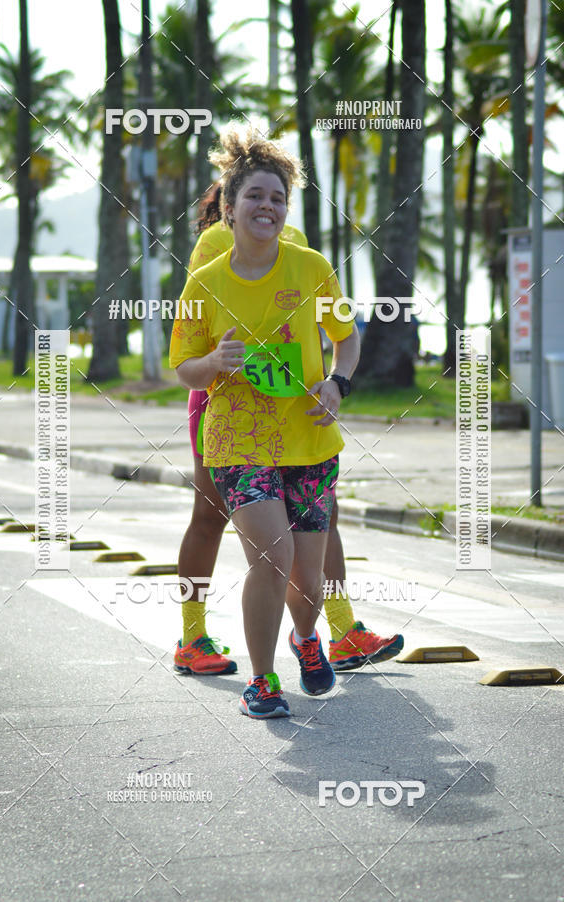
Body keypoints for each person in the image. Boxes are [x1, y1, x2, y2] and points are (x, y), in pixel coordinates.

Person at [171, 125, 380, 718]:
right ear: (228, 204)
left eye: (278, 197)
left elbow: (344, 336)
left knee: (305, 573)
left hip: (308, 430)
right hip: (235, 431)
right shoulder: (208, 265)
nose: (267, 206)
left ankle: (313, 635)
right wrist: (212, 363)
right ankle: (256, 678)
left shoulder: (309, 261)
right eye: (255, 196)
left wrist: (338, 384)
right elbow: (184, 362)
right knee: (266, 550)